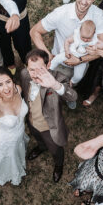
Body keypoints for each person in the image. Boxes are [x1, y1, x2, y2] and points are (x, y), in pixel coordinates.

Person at [30, 0, 103, 96]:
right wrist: (47, 54)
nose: (84, 2)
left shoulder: (98, 15)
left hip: (83, 61)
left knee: (71, 87)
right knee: (53, 92)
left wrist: (80, 60)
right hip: (60, 62)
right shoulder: (61, 13)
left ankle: (70, 95)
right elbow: (34, 31)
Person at [18, 49, 77, 182]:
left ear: (48, 65)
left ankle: (58, 165)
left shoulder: (58, 78)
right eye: (31, 69)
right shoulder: (24, 74)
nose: (35, 74)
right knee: (37, 137)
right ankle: (41, 147)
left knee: (56, 149)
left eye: (40, 69)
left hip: (50, 127)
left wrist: (55, 85)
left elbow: (73, 97)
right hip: (32, 121)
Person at [49, 20, 103, 86]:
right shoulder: (76, 35)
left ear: (94, 33)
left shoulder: (95, 39)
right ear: (80, 31)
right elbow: (67, 41)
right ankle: (49, 69)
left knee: (79, 75)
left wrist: (96, 46)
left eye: (88, 38)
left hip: (82, 59)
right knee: (57, 59)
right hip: (70, 53)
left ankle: (72, 81)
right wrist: (67, 51)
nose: (85, 40)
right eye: (83, 37)